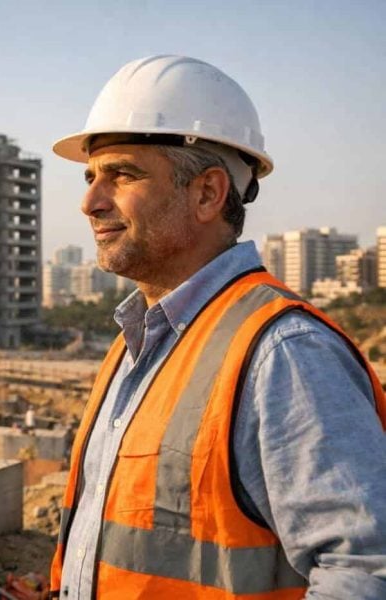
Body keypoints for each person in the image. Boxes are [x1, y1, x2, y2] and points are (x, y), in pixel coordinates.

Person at [50, 55, 386, 599]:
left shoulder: (283, 353)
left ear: (207, 193)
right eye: (91, 177)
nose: (90, 202)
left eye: (123, 174)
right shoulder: (135, 343)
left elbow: (366, 571)